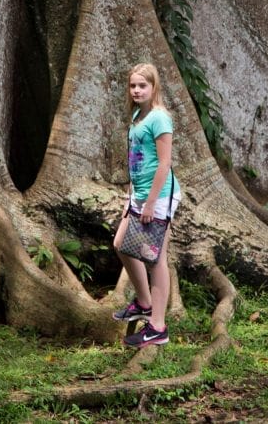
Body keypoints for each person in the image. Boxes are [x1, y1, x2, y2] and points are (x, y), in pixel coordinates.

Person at [112, 62, 181, 347]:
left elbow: (164, 164)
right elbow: (136, 162)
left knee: (155, 259)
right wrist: (132, 198)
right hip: (139, 196)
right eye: (133, 85)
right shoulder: (138, 116)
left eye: (143, 85)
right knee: (120, 245)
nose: (137, 90)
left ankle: (158, 327)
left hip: (160, 196)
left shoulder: (160, 118)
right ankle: (143, 302)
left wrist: (151, 204)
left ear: (154, 87)